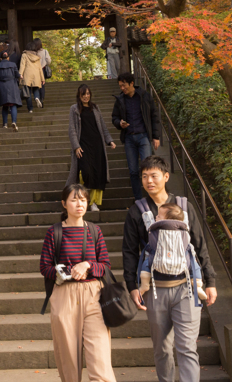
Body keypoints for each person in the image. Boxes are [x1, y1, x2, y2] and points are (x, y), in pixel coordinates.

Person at [122, 156, 217, 382]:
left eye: (154, 175)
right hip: (155, 291)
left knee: (187, 348)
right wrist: (132, 286)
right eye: (144, 176)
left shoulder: (184, 207)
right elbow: (129, 251)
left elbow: (199, 245)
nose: (149, 181)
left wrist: (210, 280)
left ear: (166, 176)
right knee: (162, 349)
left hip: (186, 288)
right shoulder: (137, 211)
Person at [39, 184, 117, 382]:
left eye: (83, 199)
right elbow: (45, 267)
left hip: (94, 295)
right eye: (74, 200)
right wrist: (59, 273)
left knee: (100, 360)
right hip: (64, 294)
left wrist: (88, 265)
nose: (79, 204)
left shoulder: (94, 231)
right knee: (68, 361)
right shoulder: (54, 232)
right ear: (64, 204)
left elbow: (106, 266)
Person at [137, 203, 207, 307]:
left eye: (159, 216)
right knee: (194, 264)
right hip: (183, 262)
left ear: (167, 220)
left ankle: (144, 284)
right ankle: (198, 286)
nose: (156, 217)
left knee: (146, 263)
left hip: (156, 261)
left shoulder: (155, 230)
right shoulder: (184, 229)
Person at [66, 84, 116, 212]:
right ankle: (82, 198)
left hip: (97, 145)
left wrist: (109, 140)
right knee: (85, 173)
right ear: (79, 95)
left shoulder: (95, 108)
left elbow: (103, 126)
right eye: (83, 94)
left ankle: (94, 203)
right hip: (83, 146)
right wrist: (76, 146)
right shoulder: (74, 109)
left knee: (98, 174)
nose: (86, 96)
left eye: (88, 94)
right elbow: (72, 129)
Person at [112, 72, 162, 200]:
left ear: (132, 83)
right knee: (133, 171)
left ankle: (151, 197)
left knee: (148, 169)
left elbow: (154, 116)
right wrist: (120, 123)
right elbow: (114, 117)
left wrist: (156, 136)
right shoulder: (120, 100)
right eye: (120, 86)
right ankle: (139, 199)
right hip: (129, 138)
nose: (122, 88)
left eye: (124, 86)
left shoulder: (145, 96)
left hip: (143, 137)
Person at [0, 50, 22, 130]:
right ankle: (14, 122)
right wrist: (20, 76)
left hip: (2, 86)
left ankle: (5, 124)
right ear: (8, 58)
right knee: (13, 105)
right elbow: (16, 74)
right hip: (12, 86)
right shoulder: (13, 64)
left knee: (4, 105)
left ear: (1, 58)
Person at [19, 40, 45, 113]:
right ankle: (37, 98)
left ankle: (30, 109)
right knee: (36, 89)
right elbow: (40, 68)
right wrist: (42, 78)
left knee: (28, 93)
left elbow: (22, 65)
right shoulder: (37, 56)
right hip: (36, 75)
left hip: (27, 74)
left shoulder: (24, 55)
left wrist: (20, 74)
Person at [34, 37, 52, 104]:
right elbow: (49, 61)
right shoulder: (45, 51)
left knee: (36, 85)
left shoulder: (34, 52)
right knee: (42, 85)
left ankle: (37, 96)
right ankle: (42, 98)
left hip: (35, 70)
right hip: (43, 69)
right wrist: (45, 63)